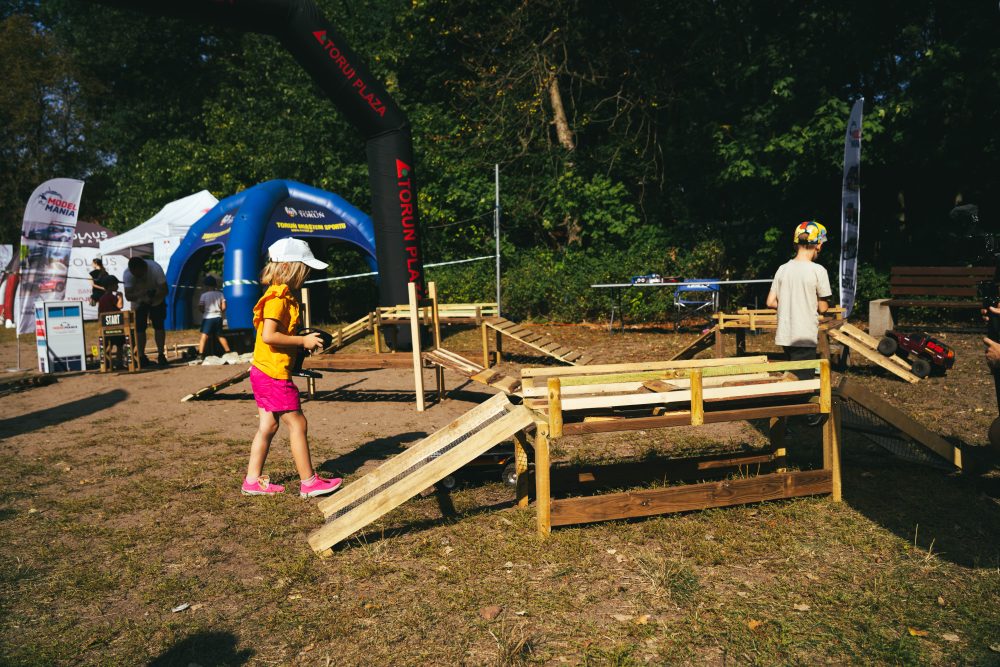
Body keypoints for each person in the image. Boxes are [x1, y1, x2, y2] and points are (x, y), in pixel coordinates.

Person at [242, 238, 342, 498]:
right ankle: (309, 483)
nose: (306, 274)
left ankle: (252, 481)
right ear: (287, 267)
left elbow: (276, 338)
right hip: (272, 374)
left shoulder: (281, 296)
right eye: (303, 268)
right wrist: (302, 341)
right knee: (297, 422)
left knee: (268, 426)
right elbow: (269, 336)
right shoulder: (277, 300)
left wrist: (298, 346)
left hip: (263, 370)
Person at [766, 220, 833, 381]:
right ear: (819, 245)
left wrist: (790, 303)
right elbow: (823, 308)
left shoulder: (782, 269)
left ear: (796, 244)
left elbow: (770, 302)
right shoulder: (818, 270)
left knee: (793, 374)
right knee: (802, 381)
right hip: (804, 335)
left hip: (785, 334)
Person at [123, 257, 168, 367]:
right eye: (135, 274)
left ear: (145, 268)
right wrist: (141, 296)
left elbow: (165, 290)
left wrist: (153, 297)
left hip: (157, 299)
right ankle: (141, 356)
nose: (137, 276)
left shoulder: (155, 269)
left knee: (159, 325)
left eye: (139, 274)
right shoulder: (127, 274)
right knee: (139, 328)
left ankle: (161, 354)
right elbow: (128, 296)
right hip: (139, 302)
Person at [197, 276, 231, 359]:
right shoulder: (220, 294)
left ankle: (200, 354)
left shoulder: (204, 295)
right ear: (215, 285)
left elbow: (201, 307)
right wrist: (219, 311)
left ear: (206, 286)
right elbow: (224, 307)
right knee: (220, 335)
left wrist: (204, 311)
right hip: (218, 317)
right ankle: (228, 352)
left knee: (204, 336)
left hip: (208, 317)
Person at [97, 276, 125, 368]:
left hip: (105, 327)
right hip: (115, 327)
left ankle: (106, 363)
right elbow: (120, 306)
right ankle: (119, 362)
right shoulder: (111, 297)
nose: (117, 286)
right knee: (120, 345)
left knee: (107, 345)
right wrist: (120, 297)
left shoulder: (102, 298)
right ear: (110, 286)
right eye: (116, 284)